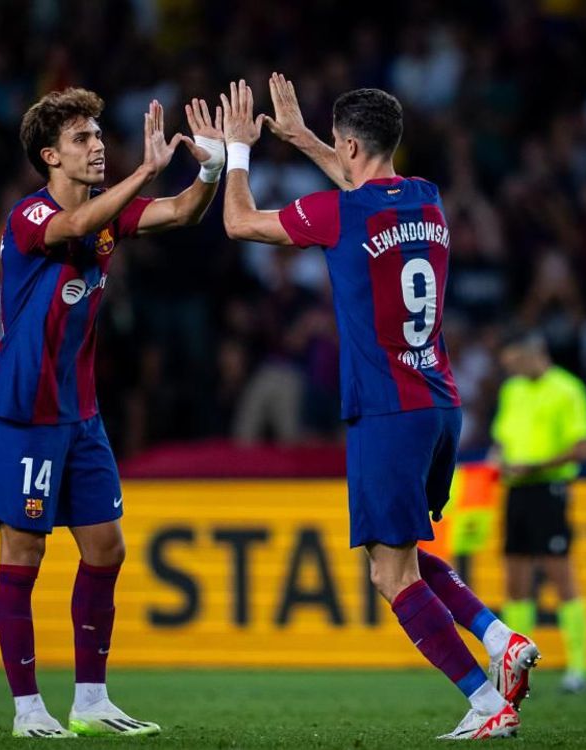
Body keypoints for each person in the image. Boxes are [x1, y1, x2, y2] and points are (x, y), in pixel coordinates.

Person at [219, 74, 537, 741]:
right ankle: (499, 637)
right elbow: (360, 183)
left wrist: (238, 150)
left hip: (387, 411)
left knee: (389, 574)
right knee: (407, 556)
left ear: (348, 145)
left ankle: (486, 701)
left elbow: (239, 222)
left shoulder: (339, 214)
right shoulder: (427, 198)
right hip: (440, 405)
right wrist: (305, 137)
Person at [0, 88, 225, 739]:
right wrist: (144, 171)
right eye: (82, 139)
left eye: (96, 135)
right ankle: (27, 710)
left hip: (80, 413)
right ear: (49, 155)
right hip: (25, 411)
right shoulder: (30, 215)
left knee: (106, 547)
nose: (96, 146)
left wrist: (211, 167)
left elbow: (182, 211)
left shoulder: (108, 214)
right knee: (24, 552)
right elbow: (73, 227)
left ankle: (91, 700)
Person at [489, 331, 586, 693]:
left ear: (535, 353)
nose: (512, 370)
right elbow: (501, 440)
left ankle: (579, 667)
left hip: (549, 489)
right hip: (515, 491)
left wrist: (534, 466)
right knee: (515, 580)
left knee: (559, 574)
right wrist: (496, 461)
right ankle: (519, 669)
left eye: (515, 362)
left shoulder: (567, 389)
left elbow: (583, 447)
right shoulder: (512, 390)